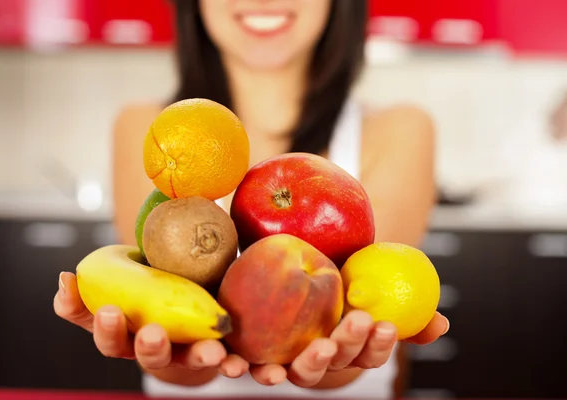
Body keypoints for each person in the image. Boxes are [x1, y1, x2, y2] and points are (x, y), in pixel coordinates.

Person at [54, 0, 450, 398]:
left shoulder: (401, 131)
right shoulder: (150, 131)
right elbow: (164, 329)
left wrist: (328, 358)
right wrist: (175, 358)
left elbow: (362, 326)